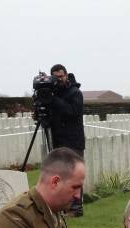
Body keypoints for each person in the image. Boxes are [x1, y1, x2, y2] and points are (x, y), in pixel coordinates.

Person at [49, 64, 85, 217]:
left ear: (66, 75)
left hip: (73, 141)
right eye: (55, 77)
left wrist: (54, 100)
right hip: (58, 140)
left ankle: (76, 207)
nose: (59, 79)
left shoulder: (75, 92)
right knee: (60, 174)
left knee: (74, 174)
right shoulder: (51, 94)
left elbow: (73, 112)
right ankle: (62, 204)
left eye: (61, 76)